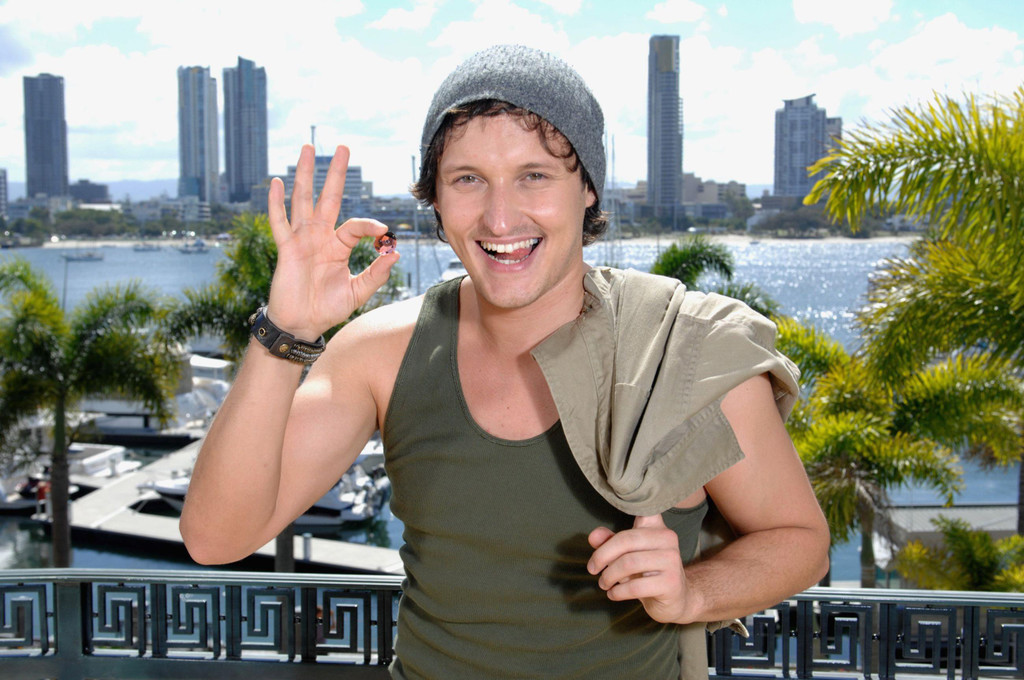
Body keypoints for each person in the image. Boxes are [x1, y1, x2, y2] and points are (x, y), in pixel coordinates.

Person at [180, 45, 829, 679]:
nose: (499, 217)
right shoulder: (381, 354)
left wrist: (692, 593)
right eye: (468, 179)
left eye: (534, 175)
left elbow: (799, 539)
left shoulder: (680, 350)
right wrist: (286, 333)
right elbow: (216, 538)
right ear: (436, 198)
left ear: (588, 189)